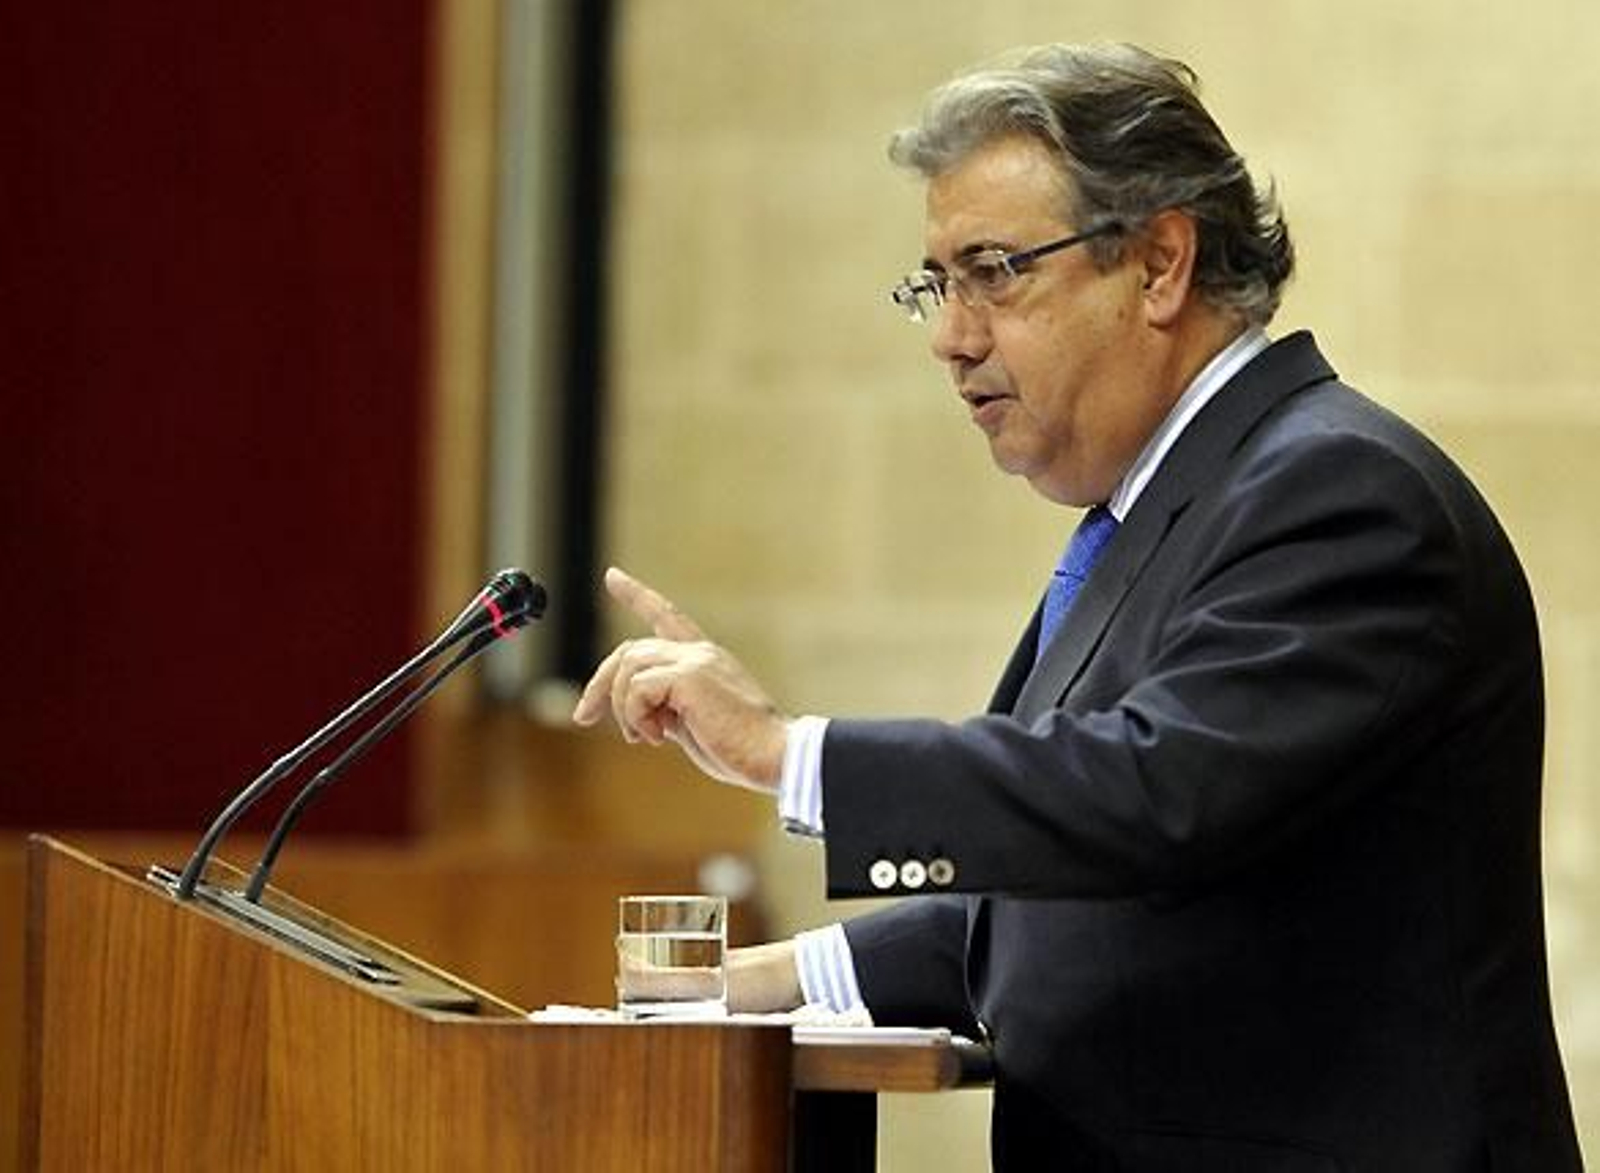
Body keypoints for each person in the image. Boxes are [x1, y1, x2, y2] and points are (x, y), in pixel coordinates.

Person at [573, 42, 1582, 1171]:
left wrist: (784, 751)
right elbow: (1059, 889)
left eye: (994, 272)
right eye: (938, 284)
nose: (953, 337)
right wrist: (765, 983)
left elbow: (1148, 795)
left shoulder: (1338, 492)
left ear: (1158, 264)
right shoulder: (1165, 509)